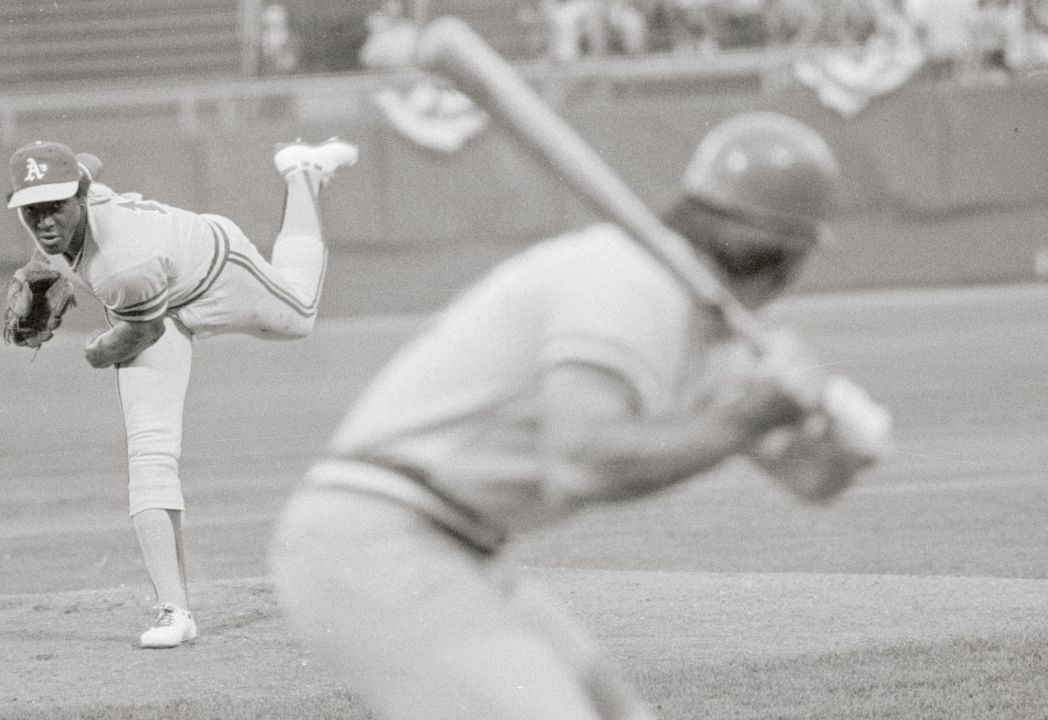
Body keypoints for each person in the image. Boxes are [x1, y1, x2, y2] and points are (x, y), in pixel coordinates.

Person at [269, 112, 891, 719]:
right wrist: (748, 418)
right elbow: (580, 465)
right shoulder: (628, 280)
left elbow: (806, 477)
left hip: (460, 546)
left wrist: (844, 447)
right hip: (378, 535)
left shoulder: (710, 326)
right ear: (788, 257)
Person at [3, 136, 357, 648]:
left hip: (214, 271)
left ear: (81, 195)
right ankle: (175, 612)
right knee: (149, 448)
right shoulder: (73, 194)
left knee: (300, 315)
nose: (45, 222)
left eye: (55, 206)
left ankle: (303, 173)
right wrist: (42, 263)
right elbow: (89, 163)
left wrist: (99, 351)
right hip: (151, 301)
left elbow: (139, 333)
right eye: (31, 210)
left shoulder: (120, 264)